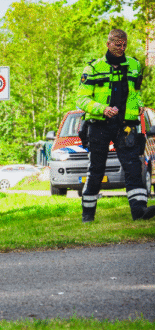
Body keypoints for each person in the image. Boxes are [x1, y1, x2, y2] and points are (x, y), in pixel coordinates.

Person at [76, 28, 155, 222]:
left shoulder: (135, 65)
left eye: (124, 45)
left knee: (133, 167)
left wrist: (139, 105)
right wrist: (102, 109)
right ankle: (88, 215)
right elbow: (81, 99)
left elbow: (135, 93)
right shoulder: (93, 68)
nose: (121, 48)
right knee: (96, 169)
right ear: (108, 44)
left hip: (125, 126)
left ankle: (140, 212)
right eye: (117, 44)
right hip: (99, 125)